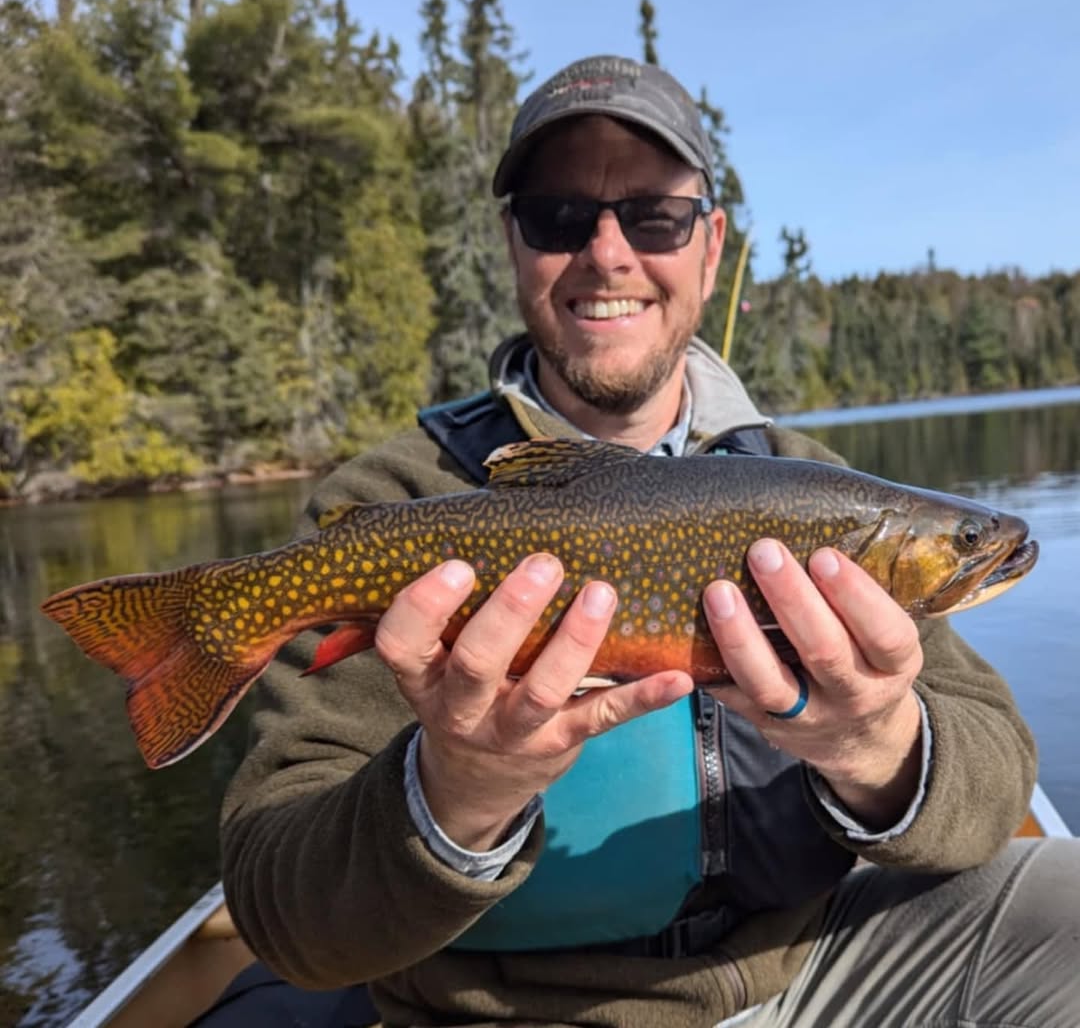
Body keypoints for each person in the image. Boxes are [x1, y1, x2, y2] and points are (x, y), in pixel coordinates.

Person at [219, 54, 1080, 1028]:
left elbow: (997, 768)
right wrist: (455, 791)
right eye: (558, 218)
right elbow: (282, 916)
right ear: (514, 245)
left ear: (709, 248)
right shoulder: (401, 504)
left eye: (654, 217)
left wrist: (879, 743)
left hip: (803, 973)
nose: (608, 252)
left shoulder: (813, 489)